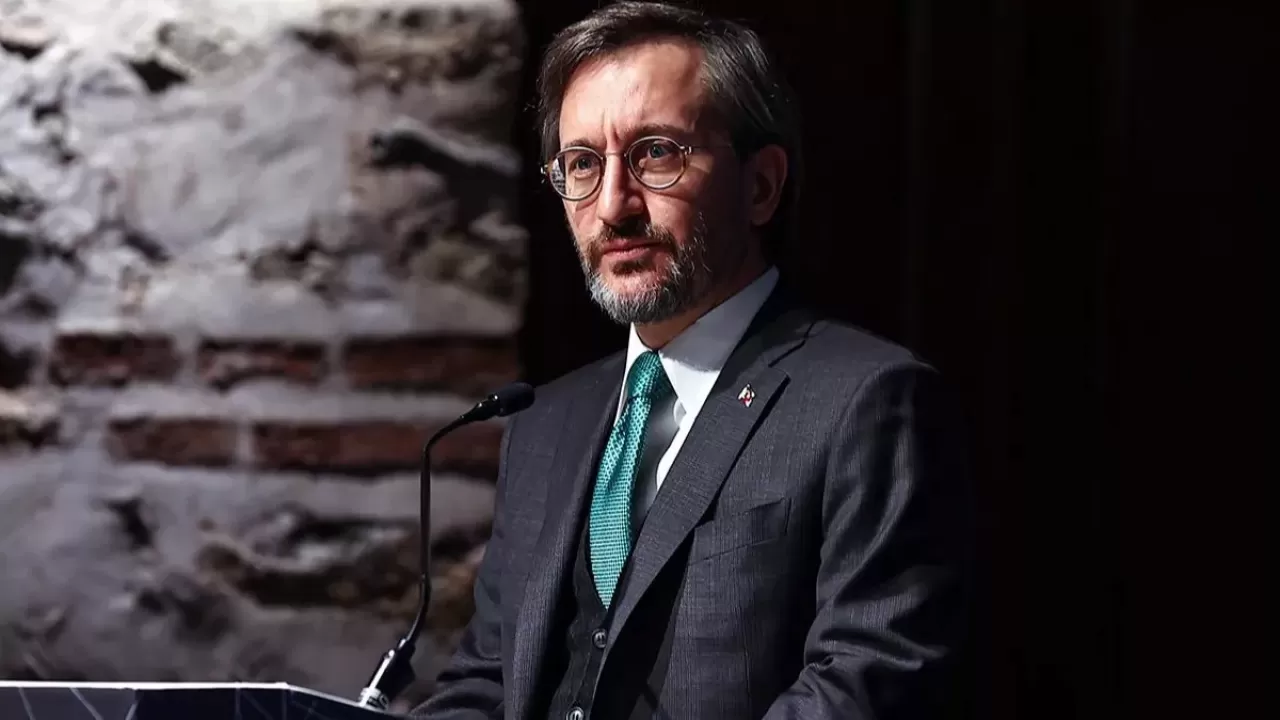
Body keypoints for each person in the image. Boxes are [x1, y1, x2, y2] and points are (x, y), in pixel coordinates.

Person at [411, 2, 973, 718]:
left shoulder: (866, 401)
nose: (613, 206)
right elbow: (486, 684)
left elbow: (868, 680)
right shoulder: (544, 424)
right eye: (582, 164)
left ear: (761, 185)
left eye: (655, 154)